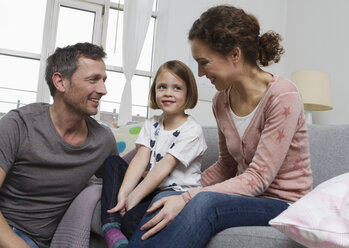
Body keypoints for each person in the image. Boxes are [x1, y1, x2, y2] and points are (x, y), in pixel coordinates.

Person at [127, 5, 313, 248]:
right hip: (247, 198)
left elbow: (258, 178)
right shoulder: (221, 100)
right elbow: (226, 165)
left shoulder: (282, 96)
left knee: (204, 203)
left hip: (284, 203)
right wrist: (179, 190)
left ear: (234, 54)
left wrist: (188, 196)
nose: (200, 73)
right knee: (166, 196)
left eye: (204, 63)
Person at [0, 42, 118, 248]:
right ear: (60, 82)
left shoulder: (103, 140)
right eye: (93, 80)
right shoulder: (18, 125)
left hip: (39, 241)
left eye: (104, 80)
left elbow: (119, 182)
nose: (103, 90)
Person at [100, 60, 207, 248]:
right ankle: (110, 225)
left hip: (174, 193)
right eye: (162, 87)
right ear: (154, 91)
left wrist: (134, 198)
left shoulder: (192, 130)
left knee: (132, 219)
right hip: (151, 186)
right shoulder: (152, 123)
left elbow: (164, 166)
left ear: (189, 93)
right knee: (112, 163)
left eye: (177, 88)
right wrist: (124, 196)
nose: (168, 93)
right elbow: (141, 158)